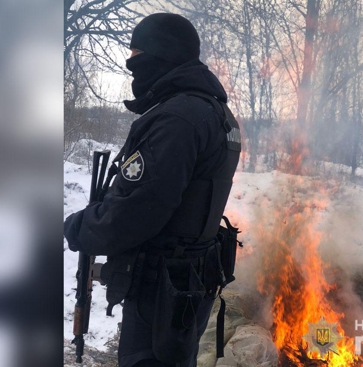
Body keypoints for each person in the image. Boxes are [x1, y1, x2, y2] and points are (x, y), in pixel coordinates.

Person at [64, 13, 241, 367]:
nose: (132, 67)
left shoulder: (178, 118)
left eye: (136, 55)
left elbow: (136, 212)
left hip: (160, 290)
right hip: (187, 284)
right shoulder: (216, 113)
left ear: (161, 54)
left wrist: (80, 226)